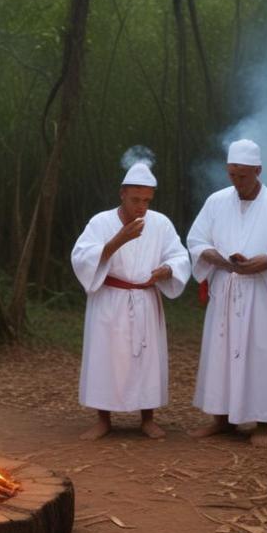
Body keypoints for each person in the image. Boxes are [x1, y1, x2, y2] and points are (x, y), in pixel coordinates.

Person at [186, 139, 267, 447]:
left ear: (258, 170)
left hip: (260, 293)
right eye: (232, 175)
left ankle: (262, 422)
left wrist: (263, 261)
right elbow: (197, 239)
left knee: (261, 353)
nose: (236, 182)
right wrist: (217, 258)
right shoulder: (216, 202)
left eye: (243, 175)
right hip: (225, 288)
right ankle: (221, 419)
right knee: (220, 353)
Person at [71, 159, 189, 441]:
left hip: (145, 299)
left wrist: (167, 270)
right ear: (122, 193)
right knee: (105, 358)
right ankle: (103, 419)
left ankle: (147, 418)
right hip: (110, 299)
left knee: (147, 360)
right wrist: (117, 241)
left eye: (147, 200)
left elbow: (179, 255)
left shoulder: (160, 223)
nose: (141, 207)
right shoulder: (101, 222)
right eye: (136, 199)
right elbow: (80, 256)